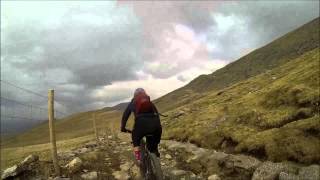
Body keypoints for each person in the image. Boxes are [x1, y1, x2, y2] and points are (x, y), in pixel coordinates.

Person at [121, 88, 162, 163]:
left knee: (135, 137)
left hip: (141, 125)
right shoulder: (149, 102)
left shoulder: (133, 102)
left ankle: (138, 158)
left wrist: (123, 128)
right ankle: (156, 156)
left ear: (135, 95)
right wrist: (158, 127)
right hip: (156, 125)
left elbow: (125, 116)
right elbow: (157, 115)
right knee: (153, 145)